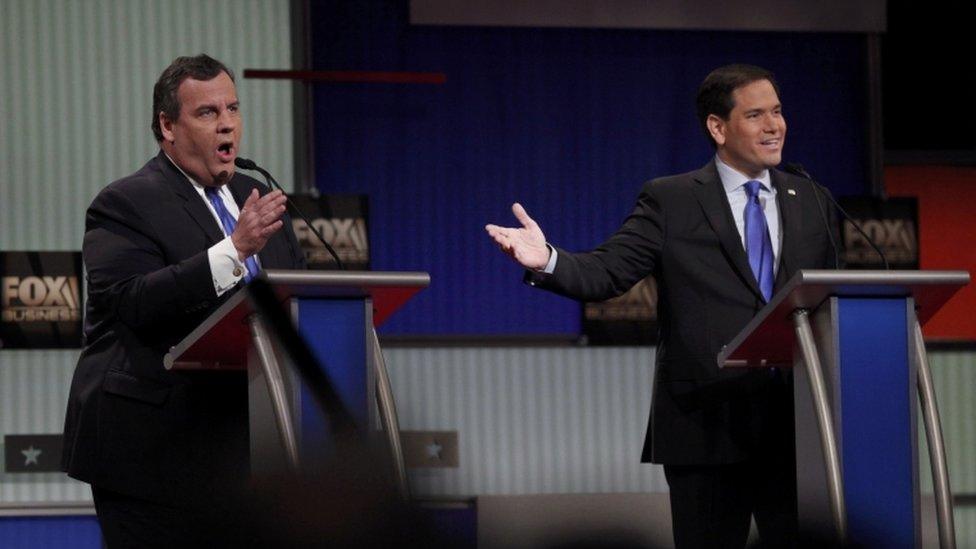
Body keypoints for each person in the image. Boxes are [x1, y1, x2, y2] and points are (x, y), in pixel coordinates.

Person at [486, 64, 838, 548]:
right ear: (718, 127)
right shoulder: (672, 199)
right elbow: (608, 272)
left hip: (797, 429)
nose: (774, 125)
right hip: (705, 427)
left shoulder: (811, 199)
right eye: (756, 115)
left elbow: (830, 303)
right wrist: (546, 259)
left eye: (777, 112)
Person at [61, 54, 306, 546]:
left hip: (250, 453)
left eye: (233, 109)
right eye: (208, 113)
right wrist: (233, 251)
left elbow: (292, 296)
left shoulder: (255, 194)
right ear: (167, 126)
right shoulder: (126, 202)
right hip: (152, 458)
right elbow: (132, 300)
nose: (228, 125)